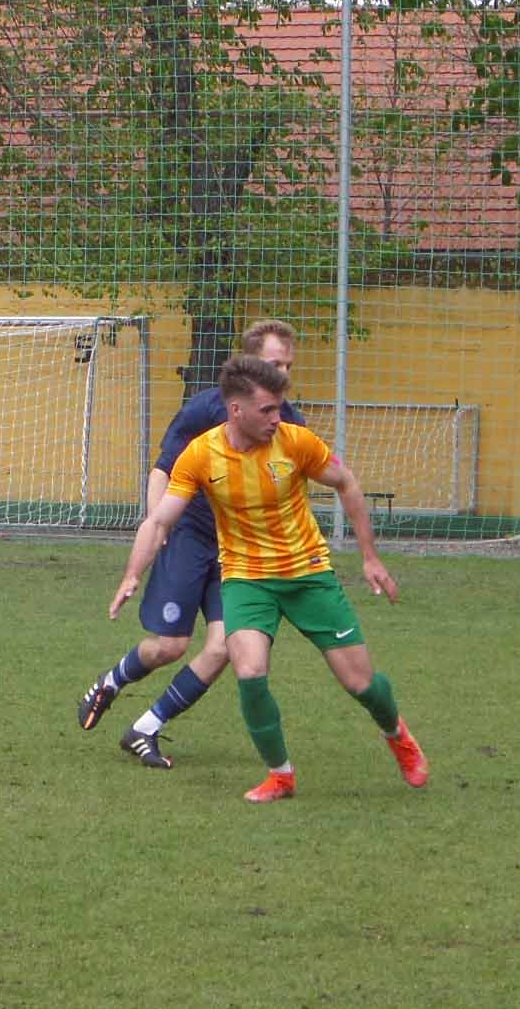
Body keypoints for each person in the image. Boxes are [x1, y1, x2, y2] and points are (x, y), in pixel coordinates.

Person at [111, 353, 428, 802]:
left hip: (307, 574)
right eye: (267, 410)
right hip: (246, 579)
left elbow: (347, 483)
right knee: (250, 671)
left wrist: (370, 557)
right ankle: (281, 776)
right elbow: (161, 520)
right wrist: (132, 574)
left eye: (279, 408)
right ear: (235, 410)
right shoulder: (200, 454)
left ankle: (397, 734)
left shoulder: (296, 442)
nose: (277, 418)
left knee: (359, 683)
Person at [79, 318, 305, 770]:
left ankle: (145, 728)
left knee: (224, 648)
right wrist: (155, 529)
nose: (282, 375)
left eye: (287, 367)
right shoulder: (205, 410)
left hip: (236, 553)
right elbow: (163, 469)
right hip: (189, 537)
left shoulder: (288, 424)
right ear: (248, 365)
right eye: (273, 364)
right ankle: (110, 682)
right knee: (170, 646)